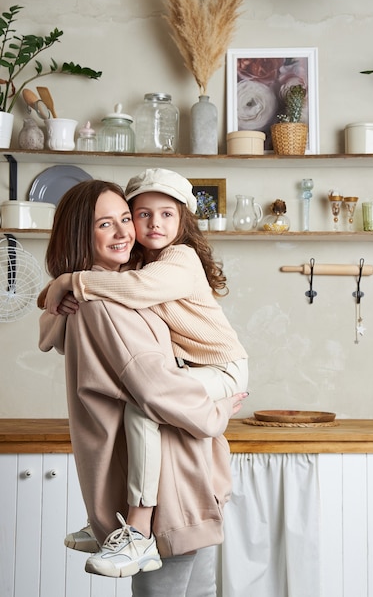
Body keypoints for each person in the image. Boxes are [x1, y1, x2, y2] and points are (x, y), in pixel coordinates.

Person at [38, 179, 248, 589]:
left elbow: (155, 382)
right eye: (107, 223)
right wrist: (57, 289)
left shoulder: (159, 268)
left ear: (182, 220)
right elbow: (153, 387)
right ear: (82, 232)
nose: (125, 231)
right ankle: (131, 526)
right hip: (173, 480)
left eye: (123, 220)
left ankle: (127, 526)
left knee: (197, 588)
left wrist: (67, 283)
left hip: (208, 406)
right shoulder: (108, 294)